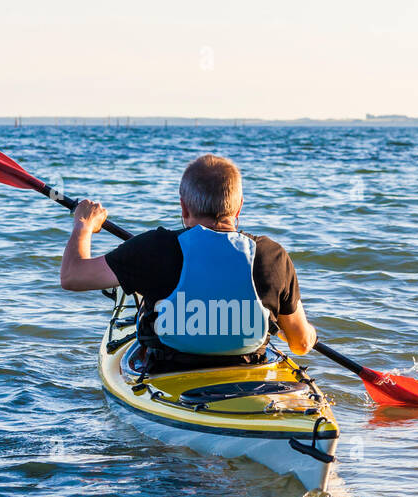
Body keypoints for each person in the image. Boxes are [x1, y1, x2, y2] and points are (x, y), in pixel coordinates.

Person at [59, 154, 317, 373]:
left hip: (169, 373)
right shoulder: (272, 255)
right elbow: (301, 344)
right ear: (238, 209)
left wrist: (84, 224)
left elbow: (72, 276)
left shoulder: (155, 248)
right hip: (248, 374)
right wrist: (306, 334)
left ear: (183, 207)